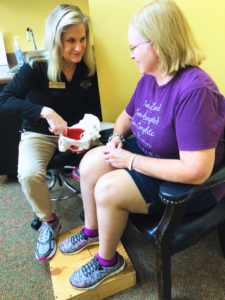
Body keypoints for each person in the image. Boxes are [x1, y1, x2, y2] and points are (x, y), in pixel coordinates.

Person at [58, 0, 225, 290]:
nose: (131, 56)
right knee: (91, 164)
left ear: (157, 45)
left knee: (107, 190)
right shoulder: (150, 78)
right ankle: (93, 229)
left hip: (189, 185)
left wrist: (130, 161)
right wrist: (116, 139)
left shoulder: (195, 90)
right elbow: (126, 116)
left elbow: (196, 171)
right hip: (152, 157)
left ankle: (109, 262)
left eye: (134, 48)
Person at [0, 4, 102, 261]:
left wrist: (88, 132)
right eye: (70, 41)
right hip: (39, 133)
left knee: (104, 161)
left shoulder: (87, 69)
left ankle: (95, 218)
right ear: (56, 40)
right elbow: (5, 100)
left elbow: (92, 111)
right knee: (29, 173)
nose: (78, 47)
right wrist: (44, 111)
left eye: (82, 39)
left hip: (77, 133)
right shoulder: (36, 65)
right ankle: (49, 221)